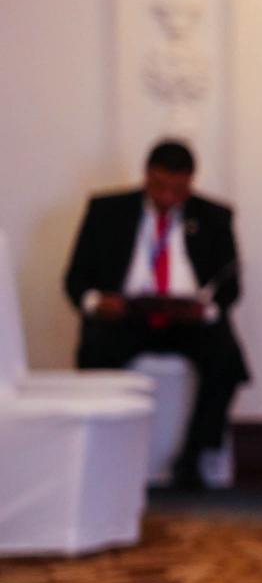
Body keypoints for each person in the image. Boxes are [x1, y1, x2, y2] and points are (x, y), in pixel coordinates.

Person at [63, 138, 249, 490]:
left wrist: (206, 309)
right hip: (126, 317)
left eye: (177, 190)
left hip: (185, 321)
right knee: (96, 349)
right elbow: (75, 280)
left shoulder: (214, 217)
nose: (166, 198)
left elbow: (231, 287)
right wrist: (96, 301)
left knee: (225, 357)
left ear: (190, 183)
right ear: (147, 176)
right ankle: (102, 451)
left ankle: (195, 454)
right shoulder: (107, 211)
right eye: (159, 186)